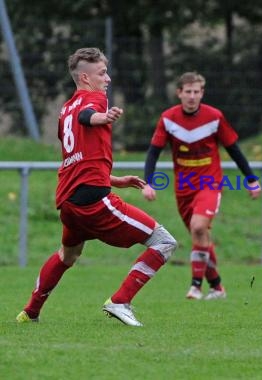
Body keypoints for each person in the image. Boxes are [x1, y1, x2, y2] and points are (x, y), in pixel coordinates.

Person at [16, 47, 177, 327]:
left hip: (69, 200)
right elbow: (88, 116)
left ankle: (30, 312)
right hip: (93, 203)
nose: (108, 79)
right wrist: (102, 117)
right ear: (85, 77)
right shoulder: (94, 99)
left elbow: (77, 157)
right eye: (102, 73)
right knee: (164, 242)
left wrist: (114, 180)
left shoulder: (65, 109)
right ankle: (120, 301)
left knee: (68, 254)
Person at [142, 71, 261, 301]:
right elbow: (153, 153)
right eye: (188, 92)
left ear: (202, 93)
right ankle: (217, 287)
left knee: (198, 227)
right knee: (200, 237)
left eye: (197, 92)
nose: (192, 96)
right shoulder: (168, 118)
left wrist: (251, 179)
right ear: (179, 93)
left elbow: (234, 149)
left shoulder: (214, 117)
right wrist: (148, 183)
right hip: (184, 187)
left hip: (210, 182)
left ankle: (195, 286)